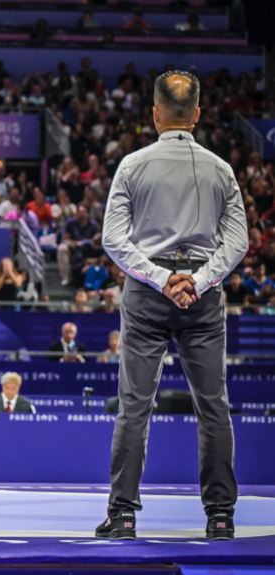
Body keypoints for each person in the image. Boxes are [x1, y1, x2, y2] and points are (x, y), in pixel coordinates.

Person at [99, 70, 247, 541]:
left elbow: (113, 240)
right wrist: (197, 281)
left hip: (147, 291)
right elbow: (238, 241)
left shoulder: (132, 165)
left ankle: (122, 515)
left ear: (156, 114)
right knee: (213, 406)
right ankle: (220, 515)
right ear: (197, 115)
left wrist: (163, 280)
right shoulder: (221, 169)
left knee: (134, 406)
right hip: (202, 296)